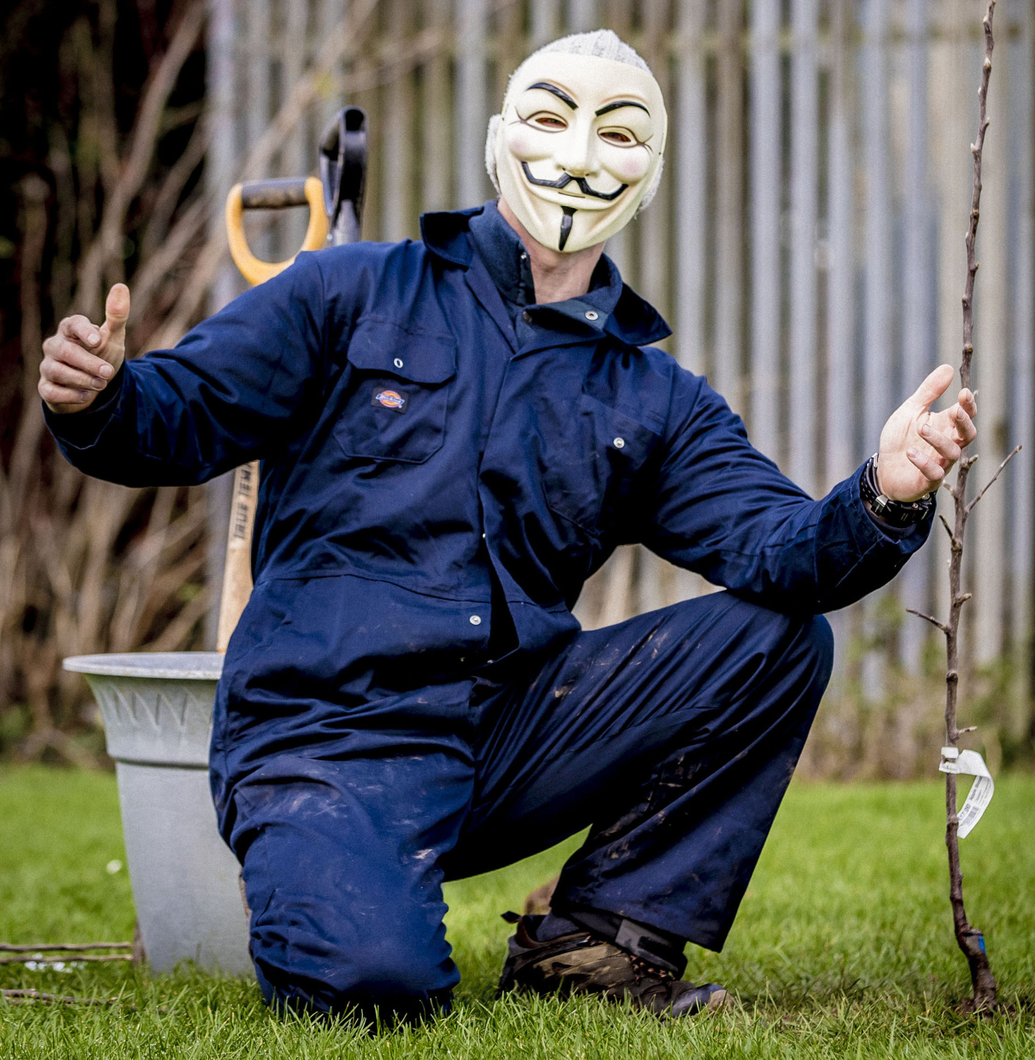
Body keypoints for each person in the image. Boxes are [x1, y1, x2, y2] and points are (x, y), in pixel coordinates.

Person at [40, 30, 977, 1026]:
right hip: (324, 735)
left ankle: (600, 939)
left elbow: (781, 550)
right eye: (549, 117)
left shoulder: (652, 397)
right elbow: (176, 416)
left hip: (505, 732)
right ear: (500, 137)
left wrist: (885, 490)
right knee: (378, 992)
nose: (577, 156)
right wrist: (99, 396)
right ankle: (331, 893)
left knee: (775, 640)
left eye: (617, 134)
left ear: (649, 169)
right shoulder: (350, 292)